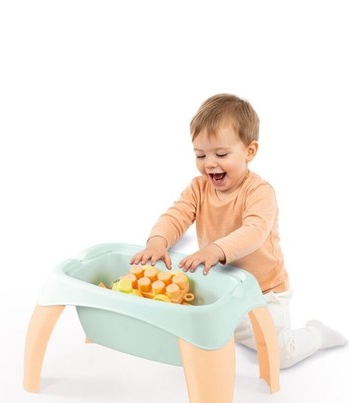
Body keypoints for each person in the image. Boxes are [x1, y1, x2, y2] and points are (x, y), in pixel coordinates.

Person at [130, 93, 346, 368]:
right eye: (200, 155)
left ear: (249, 151)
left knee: (279, 355)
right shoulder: (198, 188)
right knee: (199, 322)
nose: (209, 163)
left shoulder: (259, 192)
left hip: (265, 292)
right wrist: (157, 241)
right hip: (223, 287)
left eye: (221, 154)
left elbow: (254, 232)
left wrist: (215, 250)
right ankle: (229, 329)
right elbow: (176, 215)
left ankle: (316, 334)